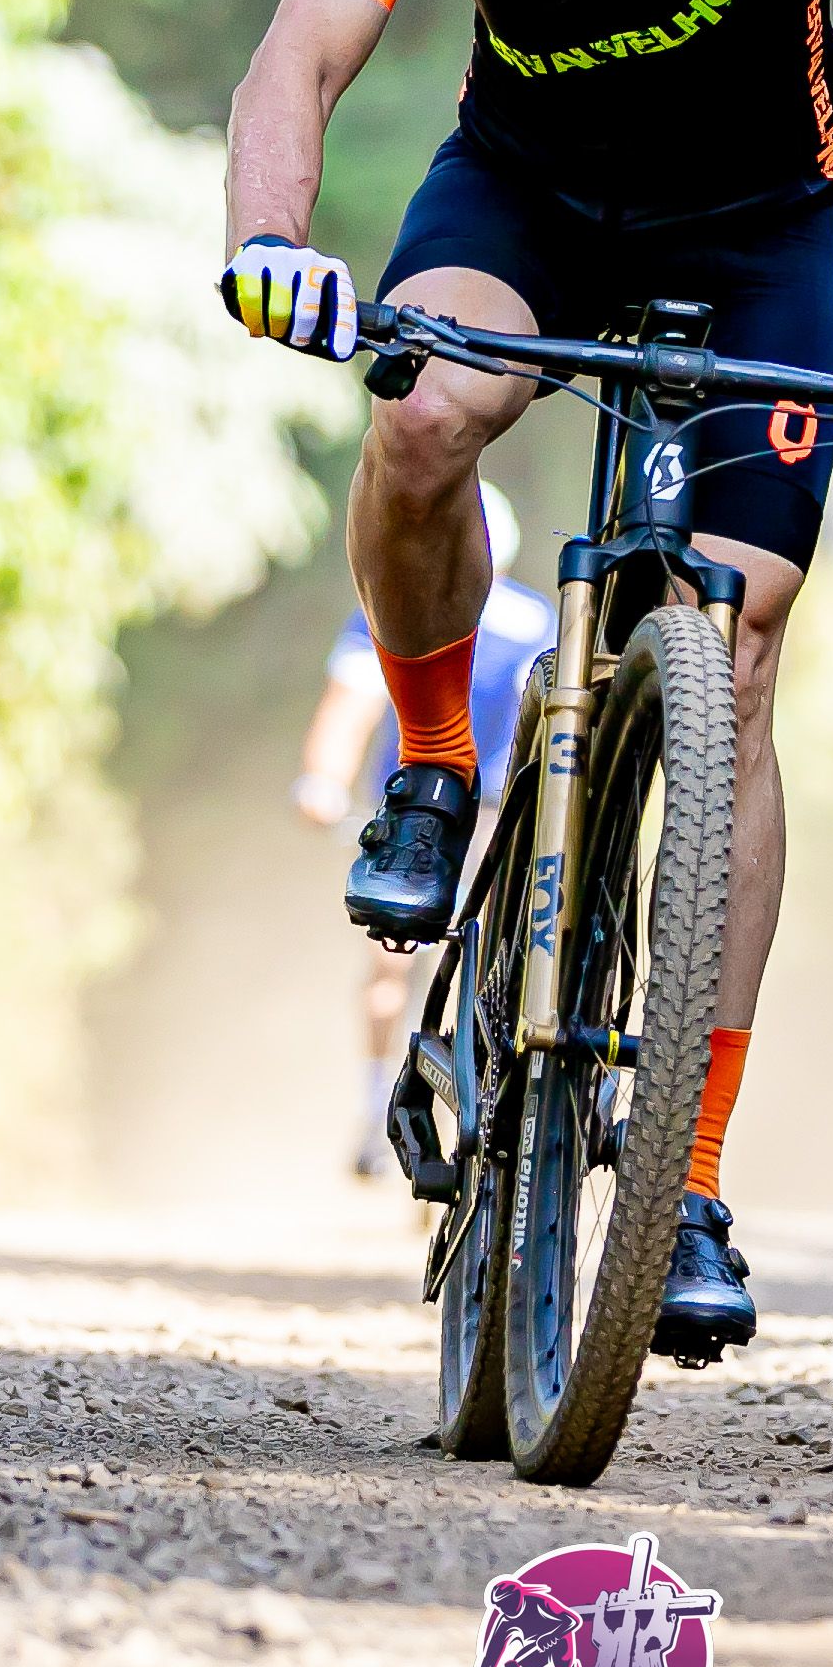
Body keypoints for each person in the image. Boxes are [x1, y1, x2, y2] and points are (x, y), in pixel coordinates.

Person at [215, 0, 833, 1360]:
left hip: (754, 235)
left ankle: (693, 1175)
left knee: (736, 645)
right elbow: (307, 39)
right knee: (419, 423)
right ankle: (434, 767)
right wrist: (269, 238)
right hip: (528, 203)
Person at [291, 487, 557, 1175]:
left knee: (430, 961)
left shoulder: (523, 622)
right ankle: (376, 1106)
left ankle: (476, 1106)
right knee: (394, 966)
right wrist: (324, 776)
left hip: (484, 812)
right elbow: (351, 703)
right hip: (446, 807)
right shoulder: (396, 616)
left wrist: (325, 781)